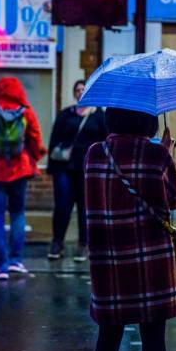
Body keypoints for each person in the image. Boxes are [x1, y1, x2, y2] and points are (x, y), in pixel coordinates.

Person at [84, 108, 176, 351]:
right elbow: (175, 199)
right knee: (153, 338)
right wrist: (168, 156)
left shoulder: (95, 154)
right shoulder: (157, 155)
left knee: (108, 336)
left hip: (108, 259)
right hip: (151, 261)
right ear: (148, 119)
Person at [0, 77, 46, 280]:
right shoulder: (26, 112)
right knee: (18, 214)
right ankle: (16, 261)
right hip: (19, 170)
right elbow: (36, 141)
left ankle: (1, 266)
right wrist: (34, 159)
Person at [47, 80, 107, 261]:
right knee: (62, 206)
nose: (81, 92)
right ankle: (57, 242)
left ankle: (83, 244)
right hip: (64, 168)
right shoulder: (66, 114)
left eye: (84, 89)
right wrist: (51, 167)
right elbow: (54, 139)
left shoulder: (99, 116)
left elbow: (106, 142)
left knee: (84, 207)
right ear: (74, 94)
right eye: (78, 90)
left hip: (87, 169)